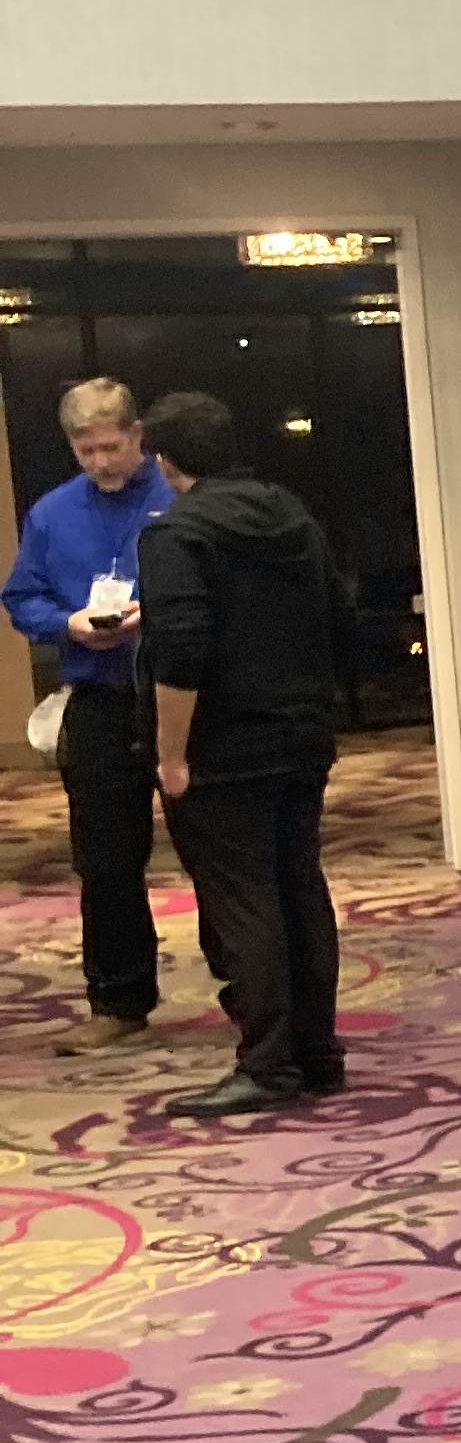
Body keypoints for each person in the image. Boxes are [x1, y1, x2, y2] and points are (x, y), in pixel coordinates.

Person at [135, 393, 351, 1118]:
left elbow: (181, 650)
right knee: (299, 887)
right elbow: (337, 611)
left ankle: (267, 1062)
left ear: (164, 461)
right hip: (300, 731)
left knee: (245, 901)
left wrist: (170, 753)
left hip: (224, 745)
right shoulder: (290, 513)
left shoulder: (176, 534)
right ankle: (316, 1052)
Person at [4, 380, 174, 1055]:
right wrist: (68, 624)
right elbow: (22, 597)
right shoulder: (51, 514)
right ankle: (120, 999)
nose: (103, 461)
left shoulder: (173, 496)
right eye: (87, 450)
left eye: (113, 446)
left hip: (179, 690)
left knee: (214, 848)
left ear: (139, 435)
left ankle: (247, 989)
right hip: (99, 697)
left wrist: (156, 616)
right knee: (105, 859)